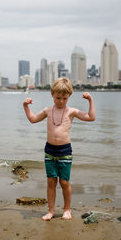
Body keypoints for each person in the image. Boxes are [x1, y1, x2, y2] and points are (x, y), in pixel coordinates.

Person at [23, 77, 95, 221]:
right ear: (52, 95)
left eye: (64, 98)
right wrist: (26, 106)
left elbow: (91, 117)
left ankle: (67, 210)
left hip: (64, 151)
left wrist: (90, 100)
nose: (61, 101)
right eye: (58, 98)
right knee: (51, 181)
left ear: (69, 97)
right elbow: (33, 119)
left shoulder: (71, 111)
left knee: (64, 182)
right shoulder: (48, 110)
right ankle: (50, 211)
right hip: (49, 150)